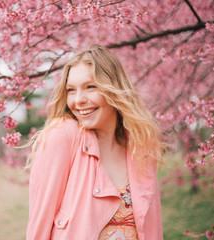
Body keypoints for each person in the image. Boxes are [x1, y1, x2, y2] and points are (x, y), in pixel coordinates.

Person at [26, 44, 163, 240]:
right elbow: (39, 225)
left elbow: (153, 228)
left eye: (91, 87)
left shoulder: (141, 146)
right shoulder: (63, 135)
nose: (79, 100)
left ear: (114, 89)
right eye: (71, 90)